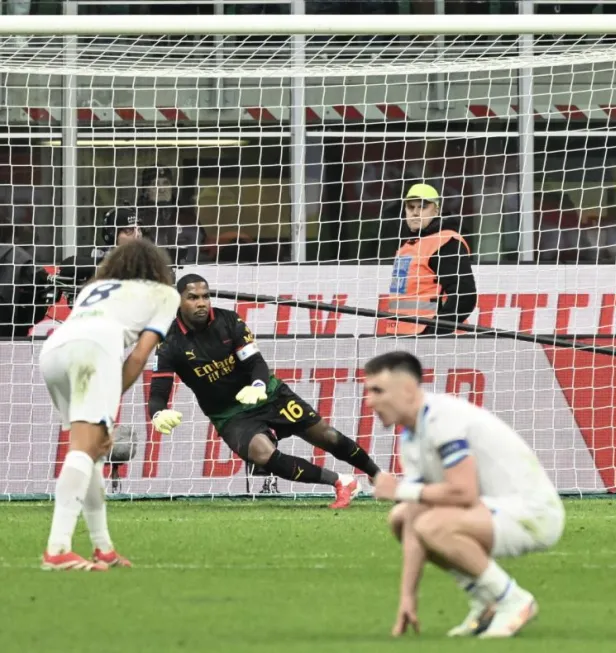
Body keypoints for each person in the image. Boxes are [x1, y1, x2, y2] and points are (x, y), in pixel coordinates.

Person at [366, 351, 564, 639]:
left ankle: (512, 599)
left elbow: (464, 493)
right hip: (495, 510)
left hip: (534, 514)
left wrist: (400, 489)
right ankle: (486, 600)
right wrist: (408, 596)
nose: (369, 401)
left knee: (431, 525)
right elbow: (413, 513)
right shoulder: (411, 437)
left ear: (407, 390)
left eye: (377, 391)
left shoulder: (442, 419)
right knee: (401, 516)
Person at [147, 274, 381, 509]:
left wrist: (258, 385)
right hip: (229, 414)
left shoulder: (229, 321)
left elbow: (256, 363)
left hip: (268, 394)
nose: (201, 303)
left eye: (205, 296)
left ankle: (378, 476)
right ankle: (342, 482)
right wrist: (158, 413)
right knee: (261, 454)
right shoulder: (169, 342)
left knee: (327, 436)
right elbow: (158, 391)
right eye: (193, 297)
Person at [39, 239, 179, 571]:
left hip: (54, 350)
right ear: (158, 269)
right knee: (86, 449)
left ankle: (103, 548)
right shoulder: (165, 294)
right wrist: (111, 399)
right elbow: (140, 355)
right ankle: (57, 549)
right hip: (94, 350)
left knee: (94, 453)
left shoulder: (95, 287)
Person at [380, 183, 477, 336]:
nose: (415, 213)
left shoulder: (446, 242)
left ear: (436, 210)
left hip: (433, 339)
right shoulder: (409, 245)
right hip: (406, 334)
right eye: (411, 207)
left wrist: (435, 333)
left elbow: (464, 296)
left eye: (422, 207)